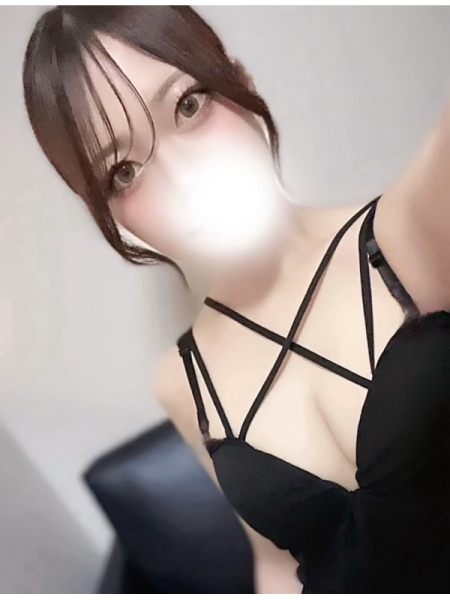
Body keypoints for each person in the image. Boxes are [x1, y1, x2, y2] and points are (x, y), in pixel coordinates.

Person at [22, 6, 450, 594]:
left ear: (239, 81)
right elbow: (276, 564)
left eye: (187, 105)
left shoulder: (413, 229)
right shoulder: (183, 379)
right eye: (122, 172)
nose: (182, 181)